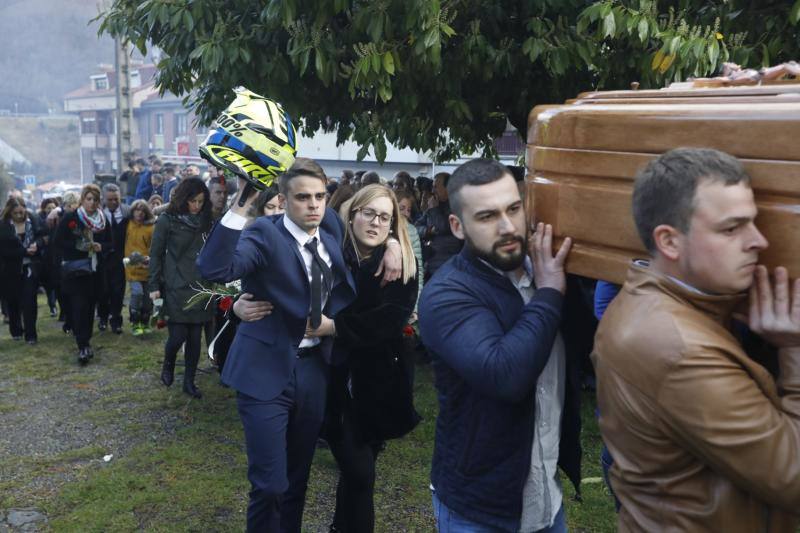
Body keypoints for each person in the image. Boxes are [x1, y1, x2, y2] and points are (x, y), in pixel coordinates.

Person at [592, 147, 800, 532]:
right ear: (669, 242)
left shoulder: (665, 301)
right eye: (731, 228)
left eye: (754, 222)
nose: (759, 241)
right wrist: (796, 350)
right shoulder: (678, 349)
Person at [197, 157, 403, 532]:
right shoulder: (264, 233)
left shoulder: (329, 228)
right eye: (303, 197)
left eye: (320, 196)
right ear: (284, 199)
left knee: (297, 480)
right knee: (270, 485)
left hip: (313, 371)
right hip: (264, 369)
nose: (313, 205)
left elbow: (369, 222)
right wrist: (242, 202)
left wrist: (392, 242)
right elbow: (215, 270)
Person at [419, 158, 590, 533]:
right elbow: (504, 375)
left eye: (514, 208)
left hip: (545, 496)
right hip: (480, 509)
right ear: (457, 227)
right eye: (486, 217)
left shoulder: (546, 268)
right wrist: (548, 294)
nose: (508, 226)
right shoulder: (446, 294)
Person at [326, 184, 420, 533]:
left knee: (359, 472)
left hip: (377, 382)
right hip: (332, 379)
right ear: (353, 214)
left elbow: (389, 320)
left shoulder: (400, 263)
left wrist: (333, 327)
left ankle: (340, 527)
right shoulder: (329, 253)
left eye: (385, 217)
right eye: (369, 213)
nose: (376, 222)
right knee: (359, 470)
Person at [149, 177, 215, 398]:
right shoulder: (167, 220)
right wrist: (154, 284)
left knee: (195, 339)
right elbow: (156, 254)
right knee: (177, 336)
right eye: (193, 201)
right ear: (183, 199)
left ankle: (189, 381)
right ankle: (168, 363)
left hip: (200, 286)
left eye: (200, 201)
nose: (196, 206)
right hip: (175, 286)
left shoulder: (207, 220)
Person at [54, 184, 112, 363]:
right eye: (89, 199)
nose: (92, 203)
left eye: (95, 199)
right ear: (82, 199)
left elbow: (112, 243)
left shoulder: (103, 220)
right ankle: (82, 345)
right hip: (77, 271)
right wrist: (79, 246)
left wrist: (101, 247)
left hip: (95, 271)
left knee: (89, 309)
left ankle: (86, 341)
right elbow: (58, 241)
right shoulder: (72, 217)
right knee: (79, 307)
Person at [0, 197, 47, 343]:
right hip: (9, 269)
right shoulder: (3, 226)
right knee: (13, 301)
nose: (20, 215)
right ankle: (16, 330)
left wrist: (37, 245)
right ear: (9, 212)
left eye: (22, 212)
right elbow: (4, 251)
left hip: (30, 267)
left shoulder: (32, 220)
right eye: (16, 213)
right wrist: (25, 251)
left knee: (29, 300)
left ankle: (31, 335)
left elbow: (43, 236)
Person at [415, 171, 462, 281]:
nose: (433, 191)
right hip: (429, 263)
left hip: (446, 263)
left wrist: (434, 210)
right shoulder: (434, 204)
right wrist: (427, 231)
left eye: (436, 187)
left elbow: (443, 227)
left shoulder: (457, 207)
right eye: (432, 187)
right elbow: (415, 227)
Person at [98, 183, 129, 334]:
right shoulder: (97, 215)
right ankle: (103, 318)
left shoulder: (127, 213)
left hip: (120, 259)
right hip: (102, 260)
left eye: (116, 199)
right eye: (110, 200)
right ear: (104, 199)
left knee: (118, 292)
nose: (113, 203)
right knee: (103, 291)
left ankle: (116, 320)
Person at [124, 200, 155, 335]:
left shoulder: (150, 228)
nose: (139, 213)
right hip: (132, 268)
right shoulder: (128, 224)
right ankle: (135, 322)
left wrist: (149, 259)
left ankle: (145, 322)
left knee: (148, 299)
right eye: (137, 210)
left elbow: (154, 247)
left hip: (147, 268)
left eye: (142, 211)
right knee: (137, 293)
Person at [396, 190, 424, 316]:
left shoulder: (412, 231)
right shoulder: (382, 228)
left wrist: (416, 305)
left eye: (408, 210)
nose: (406, 213)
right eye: (402, 208)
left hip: (404, 293)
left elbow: (418, 270)